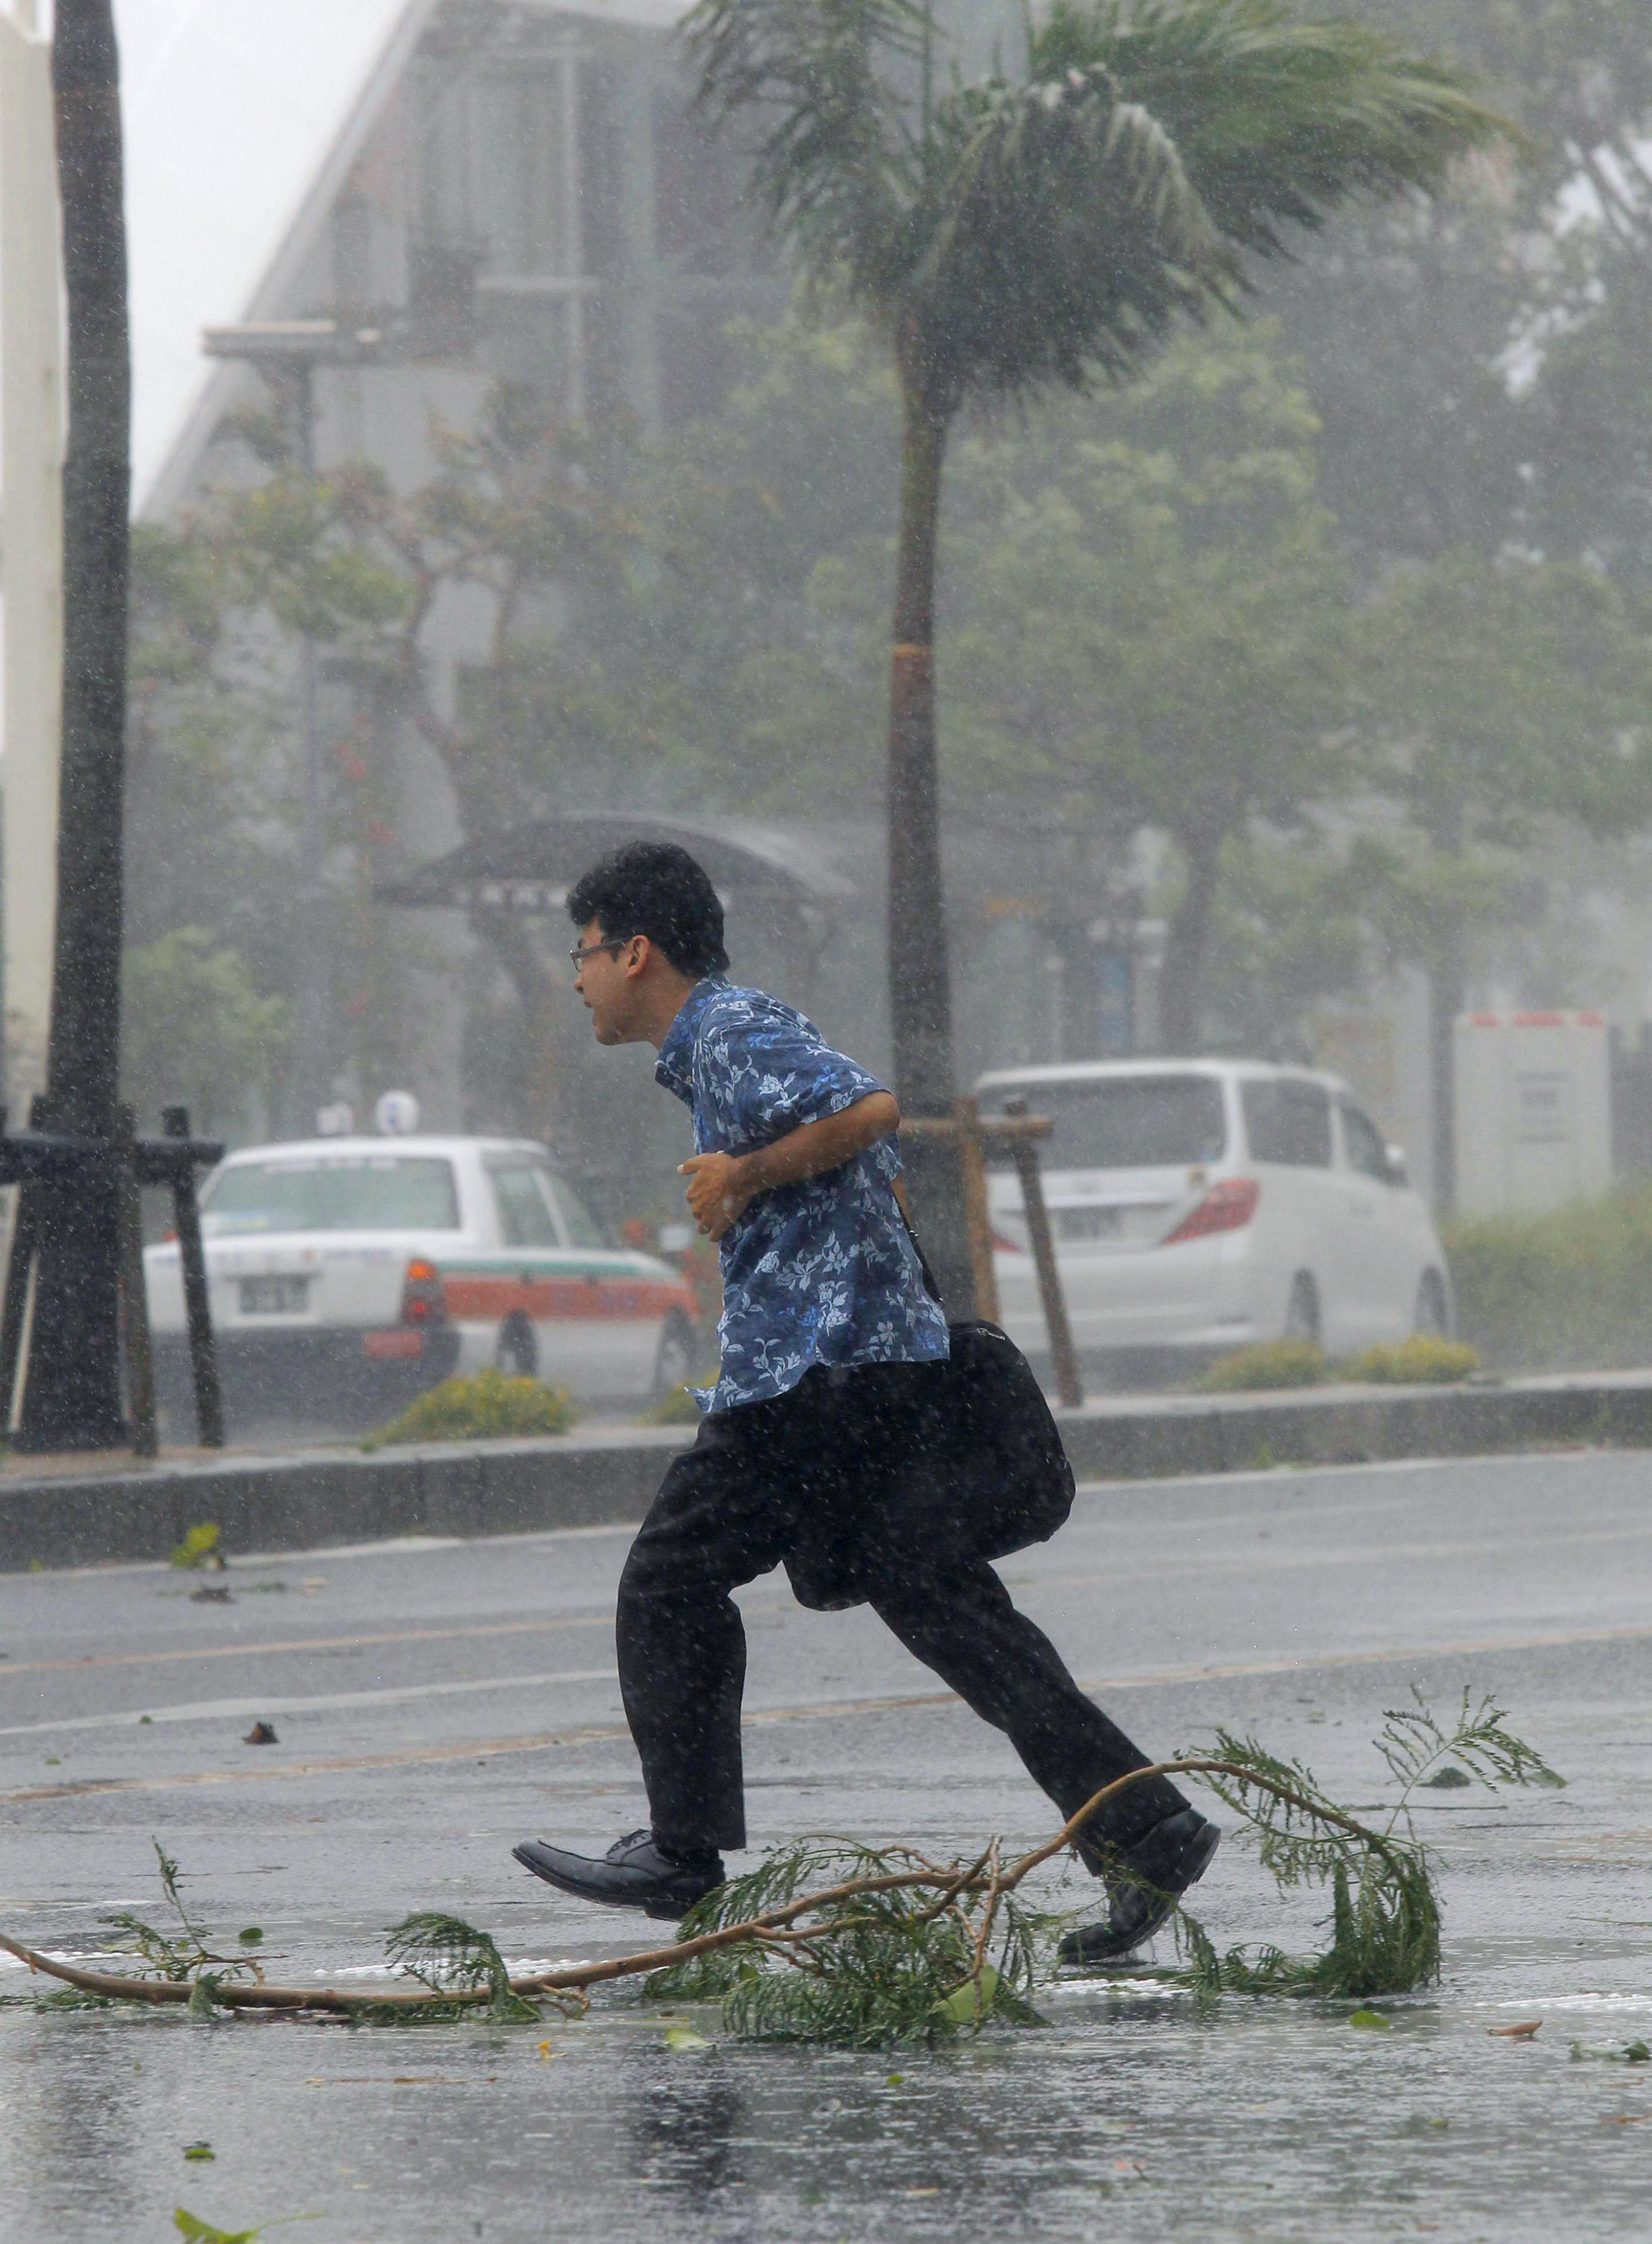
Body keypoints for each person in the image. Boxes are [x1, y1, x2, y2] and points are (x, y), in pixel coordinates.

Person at [513, 841, 1218, 1962]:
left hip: (814, 1377)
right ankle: (1145, 1827)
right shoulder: (721, 1047)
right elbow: (859, 1151)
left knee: (668, 1577)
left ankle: (680, 1849)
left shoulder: (729, 1032)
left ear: (634, 950)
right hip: (866, 1367)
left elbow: (873, 1108)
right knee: (942, 1606)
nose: (579, 976)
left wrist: (743, 1177)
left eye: (583, 953)